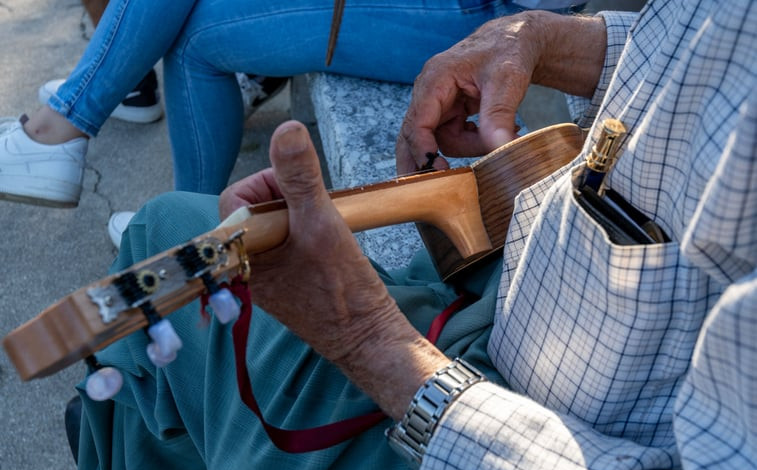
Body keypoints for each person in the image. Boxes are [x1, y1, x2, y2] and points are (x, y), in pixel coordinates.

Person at [71, 0, 755, 470]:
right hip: (508, 301)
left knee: (162, 239)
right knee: (169, 283)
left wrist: (367, 341)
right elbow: (715, 59)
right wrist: (547, 40)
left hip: (506, 432)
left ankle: (62, 127)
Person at [0, 0, 579, 210]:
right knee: (194, 28)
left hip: (485, 14)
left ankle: (68, 131)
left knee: (198, 39)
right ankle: (185, 215)